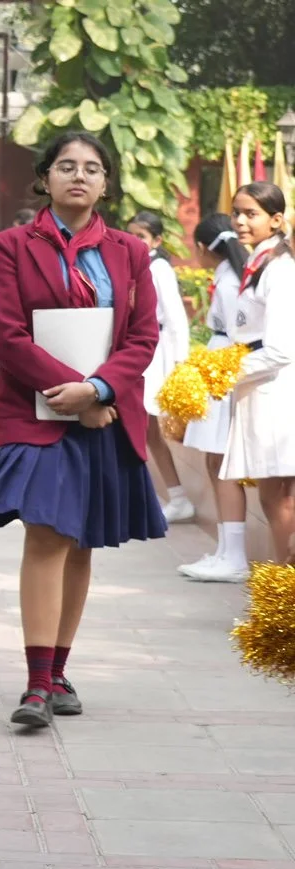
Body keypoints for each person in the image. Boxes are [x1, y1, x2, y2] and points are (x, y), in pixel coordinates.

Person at [0, 132, 164, 730]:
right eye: (65, 166)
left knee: (80, 541)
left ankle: (58, 671)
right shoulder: (12, 246)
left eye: (91, 168)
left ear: (106, 183)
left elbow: (143, 336)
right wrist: (72, 394)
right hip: (37, 412)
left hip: (106, 412)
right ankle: (36, 684)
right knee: (48, 534)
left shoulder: (130, 252)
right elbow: (7, 334)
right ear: (45, 178)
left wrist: (99, 390)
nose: (78, 176)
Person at [220, 182, 295, 563]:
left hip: (276, 394)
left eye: (251, 214)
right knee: (272, 496)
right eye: (237, 212)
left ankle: (284, 587)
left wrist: (223, 372)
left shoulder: (279, 269)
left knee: (278, 498)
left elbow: (281, 350)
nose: (240, 221)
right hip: (260, 391)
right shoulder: (260, 263)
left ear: (276, 220)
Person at [179, 214, 254, 582]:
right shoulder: (229, 276)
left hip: (226, 369)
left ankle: (235, 556)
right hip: (220, 365)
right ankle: (225, 551)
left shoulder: (230, 282)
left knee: (223, 463)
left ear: (202, 248)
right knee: (215, 461)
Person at [127, 211, 195, 523]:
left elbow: (176, 318)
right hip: (137, 352)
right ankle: (172, 497)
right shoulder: (136, 265)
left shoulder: (159, 269)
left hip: (154, 355)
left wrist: (179, 364)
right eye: (131, 235)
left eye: (141, 236)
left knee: (142, 427)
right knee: (147, 431)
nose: (134, 241)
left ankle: (162, 498)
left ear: (156, 240)